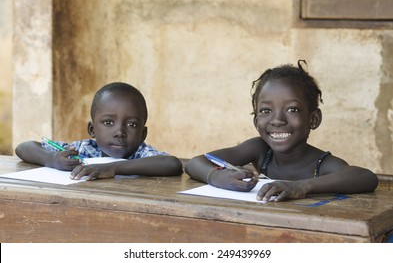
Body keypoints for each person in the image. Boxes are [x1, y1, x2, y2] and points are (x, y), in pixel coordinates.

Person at [185, 61, 378, 202]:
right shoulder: (260, 149)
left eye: (292, 109)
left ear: (313, 119)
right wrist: (216, 177)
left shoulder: (322, 164)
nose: (277, 120)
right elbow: (195, 163)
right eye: (266, 111)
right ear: (256, 121)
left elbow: (366, 178)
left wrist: (302, 186)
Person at [15, 82, 183, 180]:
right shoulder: (83, 150)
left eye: (132, 125)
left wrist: (113, 168)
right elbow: (23, 148)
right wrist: (52, 159)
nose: (119, 132)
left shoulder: (141, 153)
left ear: (143, 134)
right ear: (92, 130)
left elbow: (172, 164)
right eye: (108, 122)